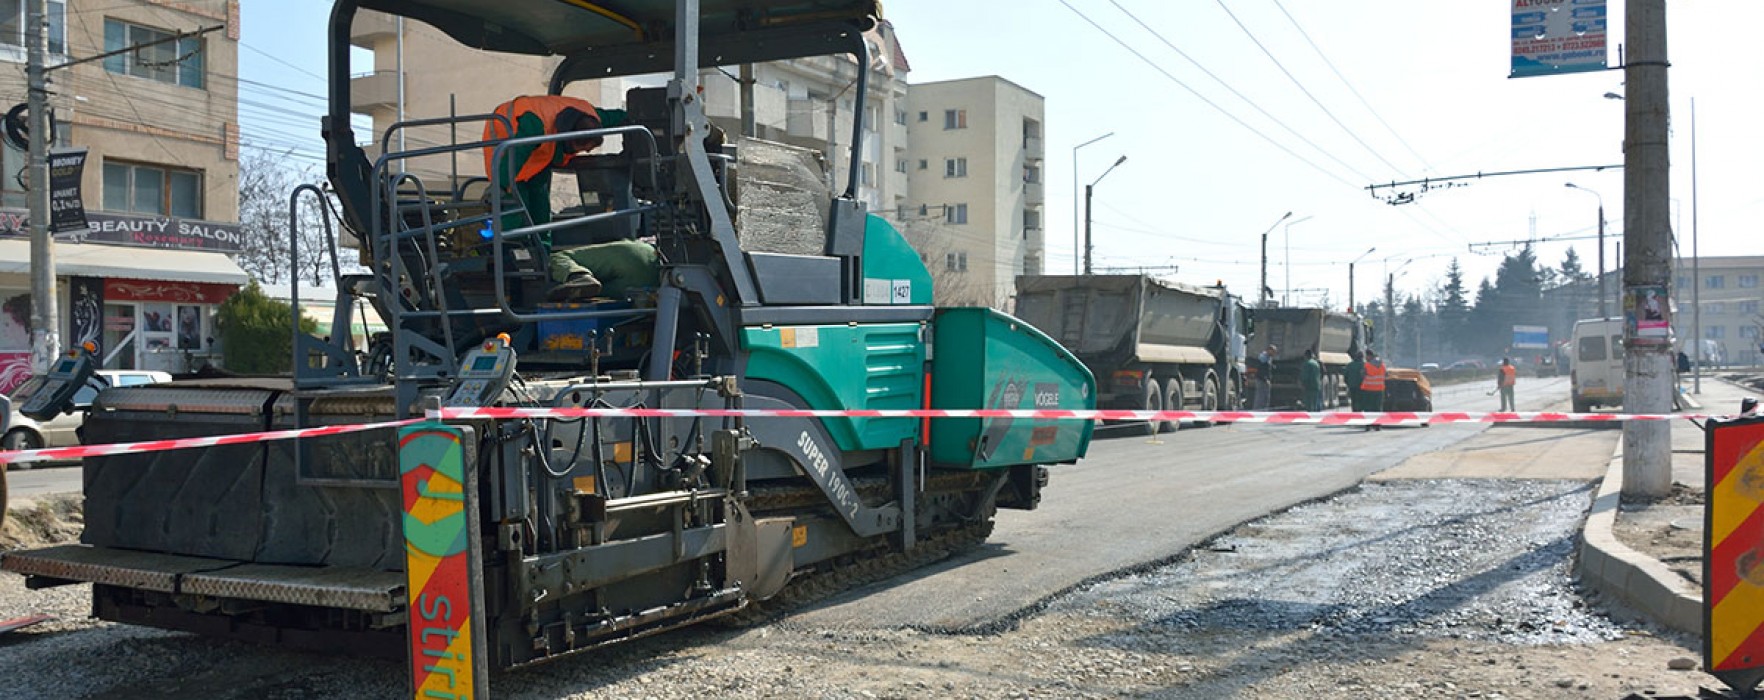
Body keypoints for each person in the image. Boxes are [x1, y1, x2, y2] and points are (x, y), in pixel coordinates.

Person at [482, 95, 629, 230]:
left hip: (537, 153)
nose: (587, 152)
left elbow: (620, 117)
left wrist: (641, 118)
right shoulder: (534, 126)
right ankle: (512, 248)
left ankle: (541, 252)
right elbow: (513, 158)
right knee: (515, 207)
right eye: (582, 148)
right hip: (505, 139)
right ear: (569, 138)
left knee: (540, 208)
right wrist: (499, 186)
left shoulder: (591, 119)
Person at [547, 239, 661, 302]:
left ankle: (579, 276)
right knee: (605, 293)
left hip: (640, 254)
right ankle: (582, 288)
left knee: (559, 257)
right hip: (653, 283)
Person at [1360, 350, 1386, 430]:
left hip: (1368, 389)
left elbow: (1362, 375)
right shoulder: (1382, 365)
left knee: (1368, 408)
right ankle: (1377, 425)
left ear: (1370, 356)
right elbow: (1385, 374)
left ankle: (1368, 425)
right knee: (1377, 408)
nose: (1365, 358)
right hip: (1379, 390)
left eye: (1366, 356)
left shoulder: (1367, 365)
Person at [1252, 344, 1278, 410]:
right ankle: (1258, 410)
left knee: (1265, 396)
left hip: (1264, 379)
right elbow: (1262, 370)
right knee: (1261, 396)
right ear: (1269, 350)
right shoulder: (1264, 358)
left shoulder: (1268, 358)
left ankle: (1263, 409)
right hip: (1262, 380)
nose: (1274, 353)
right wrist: (1265, 379)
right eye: (1273, 351)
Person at [1299, 348, 1324, 413]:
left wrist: (1302, 384)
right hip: (1316, 385)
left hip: (1309, 386)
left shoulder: (1307, 364)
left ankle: (1310, 417)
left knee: (1309, 404)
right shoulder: (1316, 363)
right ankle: (1315, 416)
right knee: (1315, 402)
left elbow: (1305, 376)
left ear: (1305, 356)